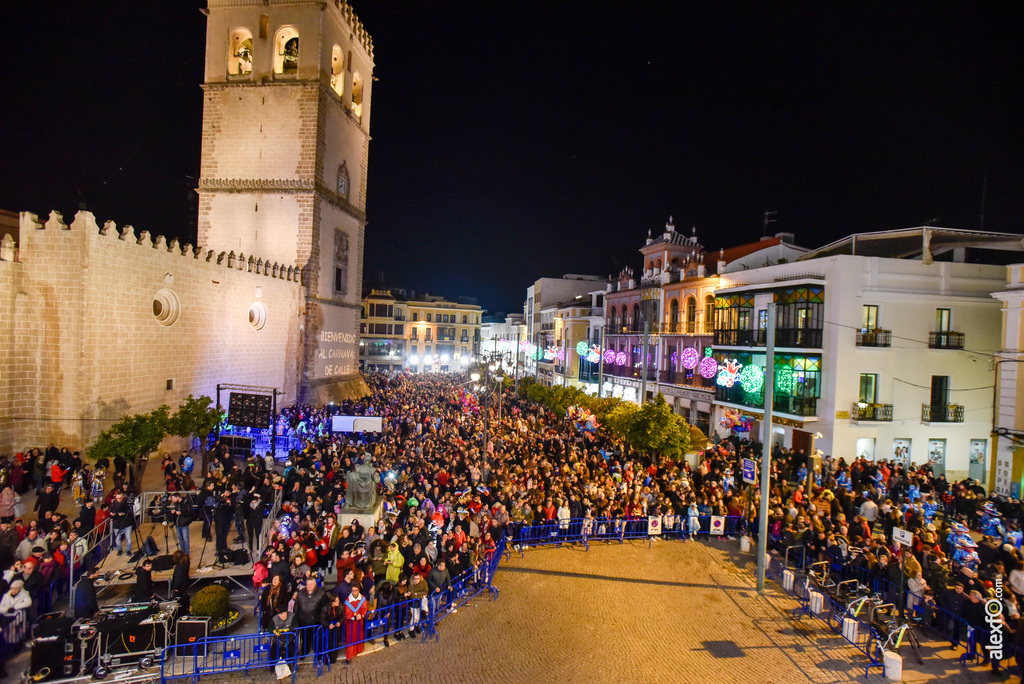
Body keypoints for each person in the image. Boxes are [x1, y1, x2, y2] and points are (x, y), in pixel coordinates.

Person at [343, 583, 368, 664]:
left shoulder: (362, 599)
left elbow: (364, 609)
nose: (354, 592)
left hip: (359, 621)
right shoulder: (348, 601)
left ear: (358, 590)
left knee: (359, 635)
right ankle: (349, 655)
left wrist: (361, 615)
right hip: (351, 623)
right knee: (350, 637)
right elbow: (347, 612)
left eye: (356, 590)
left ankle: (358, 649)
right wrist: (353, 616)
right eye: (353, 591)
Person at [321, 592, 345, 663]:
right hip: (328, 629)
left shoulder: (340, 607)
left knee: (335, 642)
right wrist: (328, 624)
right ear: (332, 603)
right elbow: (322, 619)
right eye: (336, 601)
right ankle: (326, 658)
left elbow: (343, 615)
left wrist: (339, 622)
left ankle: (333, 659)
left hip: (336, 628)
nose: (338, 602)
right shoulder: (325, 608)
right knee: (328, 643)